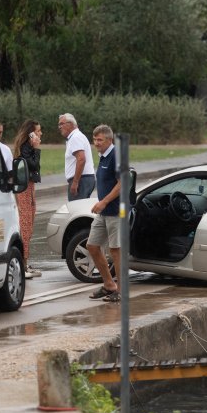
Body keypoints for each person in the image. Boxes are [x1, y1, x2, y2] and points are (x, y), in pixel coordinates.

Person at [86, 124, 122, 303]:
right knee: (92, 246)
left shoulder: (116, 156)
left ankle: (121, 290)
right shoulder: (103, 156)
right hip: (104, 211)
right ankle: (109, 285)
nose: (96, 143)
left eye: (99, 140)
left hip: (116, 211)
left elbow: (122, 183)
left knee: (116, 250)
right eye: (94, 139)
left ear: (109, 140)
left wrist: (104, 201)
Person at [12, 120, 42, 278]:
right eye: (38, 131)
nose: (40, 134)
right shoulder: (26, 148)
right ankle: (23, 264)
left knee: (29, 223)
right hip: (25, 187)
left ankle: (25, 262)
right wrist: (36, 149)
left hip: (30, 186)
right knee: (25, 223)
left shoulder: (28, 148)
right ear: (30, 134)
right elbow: (34, 165)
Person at [57, 113, 95, 201]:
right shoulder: (75, 136)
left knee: (76, 211)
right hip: (84, 179)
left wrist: (75, 182)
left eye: (61, 124)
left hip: (81, 180)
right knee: (81, 210)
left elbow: (81, 159)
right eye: (59, 124)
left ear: (70, 124)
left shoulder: (75, 137)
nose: (59, 127)